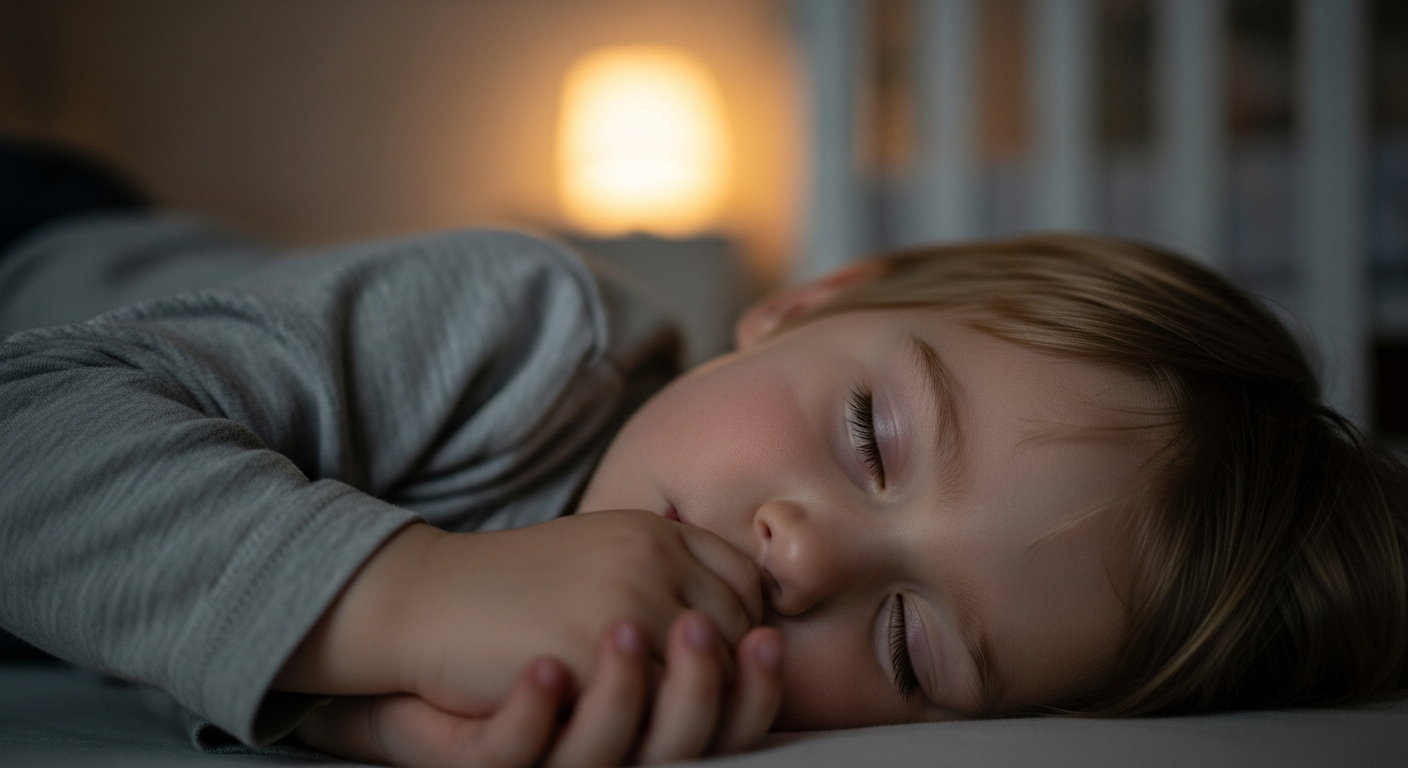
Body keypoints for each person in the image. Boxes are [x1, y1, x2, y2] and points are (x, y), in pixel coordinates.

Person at [1, 141, 1406, 768]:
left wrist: (363, 714)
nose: (811, 556)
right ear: (815, 303)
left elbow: (165, 637)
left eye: (913, 648)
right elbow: (31, 442)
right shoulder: (521, 332)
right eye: (869, 434)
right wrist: (406, 599)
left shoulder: (644, 695)